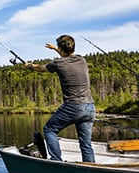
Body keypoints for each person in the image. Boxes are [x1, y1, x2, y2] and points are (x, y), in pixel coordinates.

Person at [24, 34, 96, 162]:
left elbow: (40, 68)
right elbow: (67, 54)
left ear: (61, 49)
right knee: (86, 144)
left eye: (59, 48)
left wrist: (30, 65)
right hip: (90, 107)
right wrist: (55, 49)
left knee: (49, 129)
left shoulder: (58, 63)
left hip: (73, 107)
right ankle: (90, 167)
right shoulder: (82, 60)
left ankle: (56, 161)